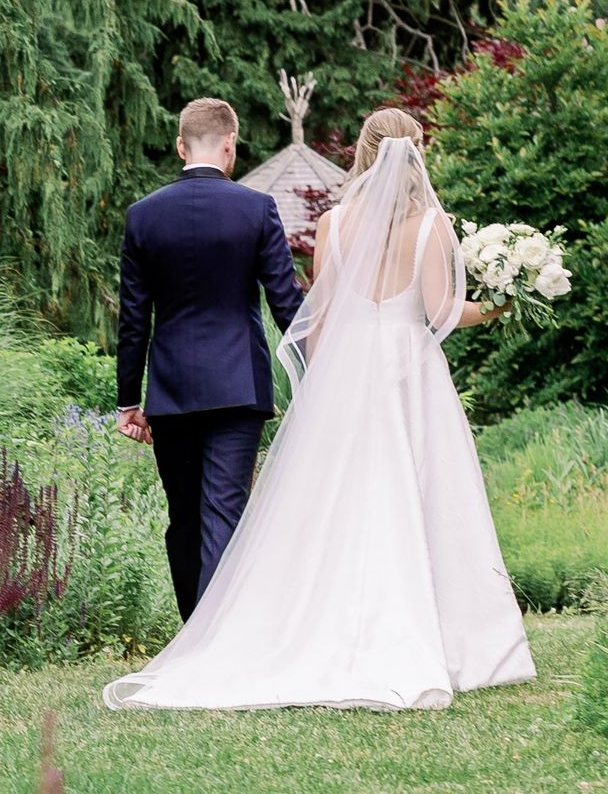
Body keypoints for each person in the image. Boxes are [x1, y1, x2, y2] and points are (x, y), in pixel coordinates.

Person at [104, 113, 535, 712]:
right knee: (416, 497)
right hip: (376, 375)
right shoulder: (421, 224)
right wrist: (498, 305)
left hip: (290, 378)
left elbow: (310, 312)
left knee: (315, 507)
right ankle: (436, 637)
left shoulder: (326, 224)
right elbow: (431, 312)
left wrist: (317, 378)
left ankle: (224, 635)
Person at [111, 97, 301, 617]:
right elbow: (286, 303)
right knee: (224, 513)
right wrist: (321, 363)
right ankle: (214, 646)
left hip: (170, 391)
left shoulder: (143, 216)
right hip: (239, 387)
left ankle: (196, 632)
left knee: (185, 519)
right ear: (229, 146)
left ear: (180, 146)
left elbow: (134, 318)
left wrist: (129, 399)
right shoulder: (256, 208)